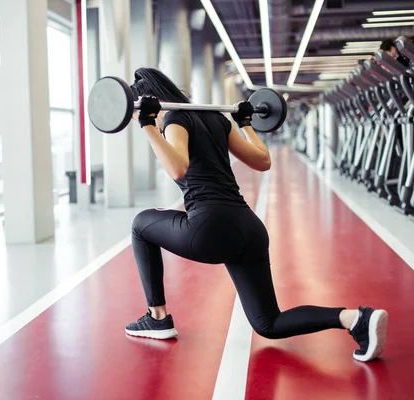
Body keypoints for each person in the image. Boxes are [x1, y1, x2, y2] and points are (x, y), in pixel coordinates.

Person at [123, 67, 388, 363]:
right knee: (268, 324)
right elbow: (262, 161)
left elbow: (178, 168)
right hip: (248, 227)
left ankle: (157, 317)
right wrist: (246, 123)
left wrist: (146, 124)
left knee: (139, 225)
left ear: (147, 103)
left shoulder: (172, 119)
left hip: (211, 229)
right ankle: (357, 319)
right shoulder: (214, 119)